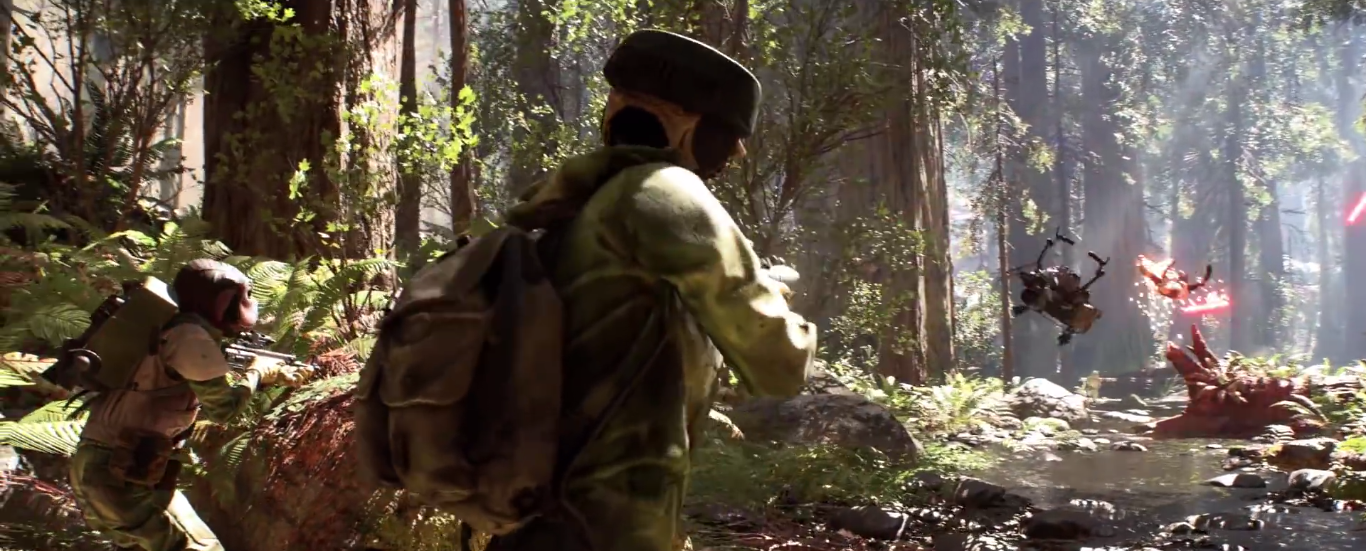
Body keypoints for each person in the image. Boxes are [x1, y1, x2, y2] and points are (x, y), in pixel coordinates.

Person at [488, 29, 818, 551]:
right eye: (729, 134)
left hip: (540, 512)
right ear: (688, 125)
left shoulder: (580, 200)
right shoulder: (666, 191)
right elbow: (780, 364)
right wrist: (770, 298)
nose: (736, 152)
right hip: (612, 522)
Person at [68, 259, 307, 551]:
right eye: (245, 295)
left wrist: (266, 376)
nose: (250, 302)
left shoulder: (168, 331)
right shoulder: (189, 337)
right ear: (222, 302)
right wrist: (257, 372)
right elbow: (223, 409)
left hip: (118, 467)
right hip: (119, 471)